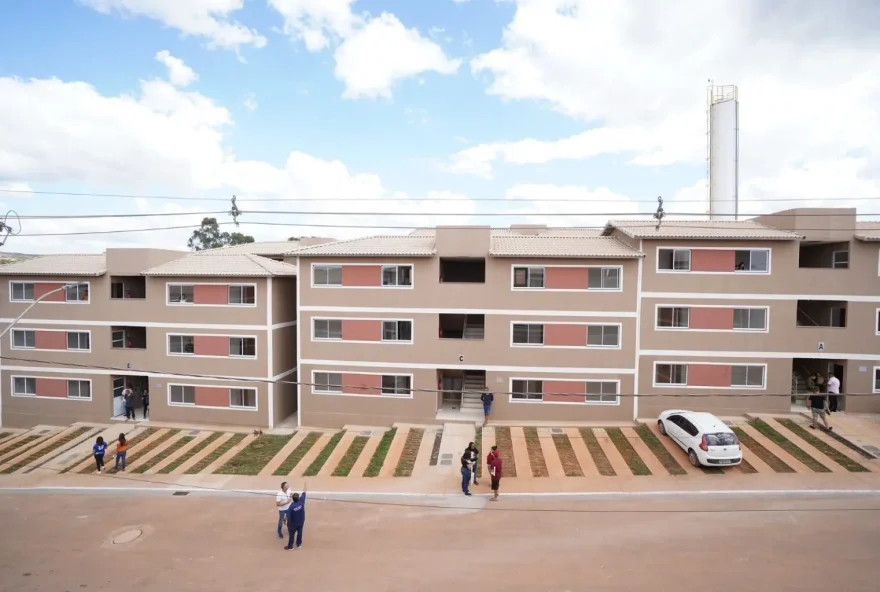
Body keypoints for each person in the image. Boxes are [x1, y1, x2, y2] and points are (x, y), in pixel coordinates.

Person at [285, 482, 307, 550]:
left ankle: (290, 546)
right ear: (298, 498)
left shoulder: (291, 506)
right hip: (301, 522)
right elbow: (304, 491)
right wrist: (305, 484)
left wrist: (285, 520)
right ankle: (299, 544)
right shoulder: (301, 501)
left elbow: (288, 516)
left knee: (291, 535)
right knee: (300, 533)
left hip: (293, 524)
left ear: (292, 498)